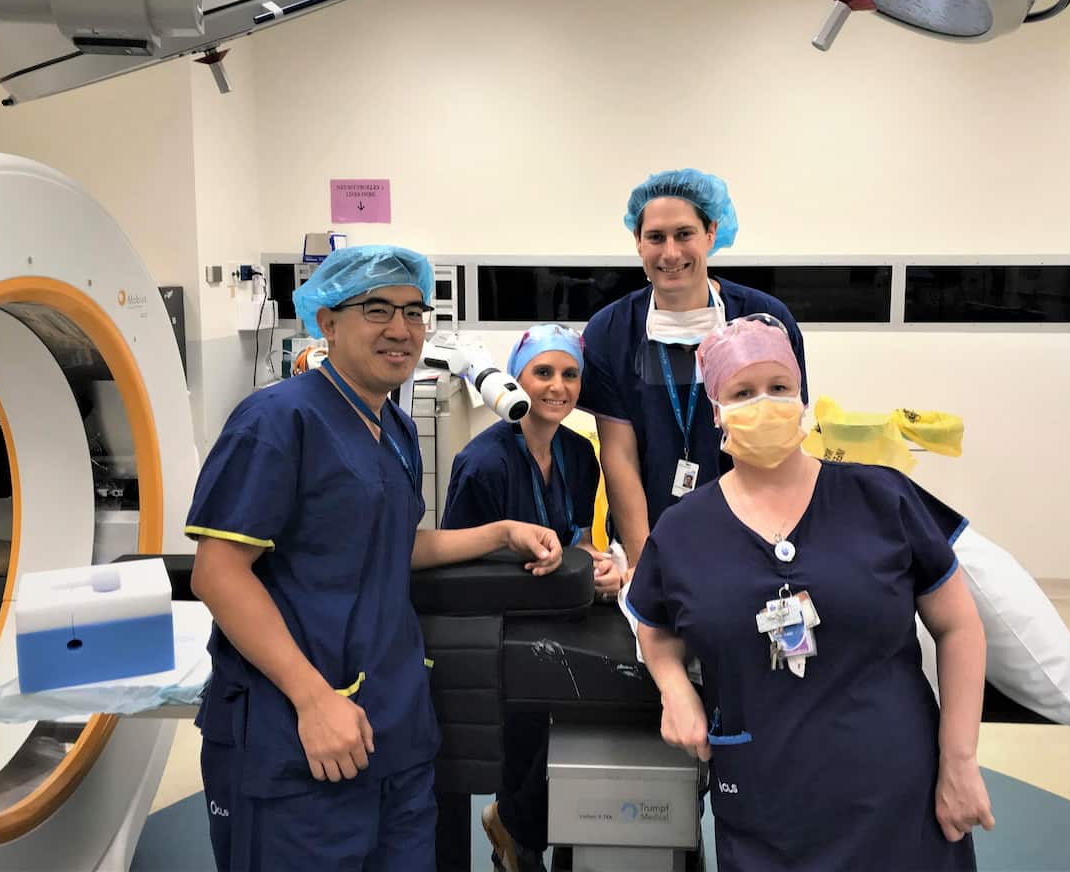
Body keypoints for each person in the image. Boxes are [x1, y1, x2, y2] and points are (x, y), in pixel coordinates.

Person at [185, 245, 563, 872]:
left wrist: (499, 532)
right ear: (326, 321)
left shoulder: (394, 425)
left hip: (395, 722)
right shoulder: (278, 420)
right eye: (377, 309)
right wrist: (313, 699)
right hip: (297, 728)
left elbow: (391, 544)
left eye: (415, 311)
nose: (401, 328)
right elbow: (218, 573)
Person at [628, 315, 994, 870]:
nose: (765, 403)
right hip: (766, 808)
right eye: (743, 392)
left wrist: (960, 761)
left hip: (899, 797)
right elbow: (654, 627)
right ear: (717, 411)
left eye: (779, 388)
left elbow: (958, 626)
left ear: (802, 398)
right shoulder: (683, 530)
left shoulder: (880, 498)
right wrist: (674, 688)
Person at [440, 323, 619, 872]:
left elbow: (579, 539)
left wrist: (600, 562)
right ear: (515, 379)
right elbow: (454, 563)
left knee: (571, 734)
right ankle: (517, 832)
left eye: (569, 374)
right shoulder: (483, 463)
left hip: (562, 612)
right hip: (501, 624)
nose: (557, 387)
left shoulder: (579, 454)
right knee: (523, 738)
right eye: (543, 372)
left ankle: (518, 822)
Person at [578, 168, 809, 577]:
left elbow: (784, 436)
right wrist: (645, 565)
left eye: (684, 234)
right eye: (655, 237)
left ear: (710, 233)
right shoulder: (611, 331)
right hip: (651, 532)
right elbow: (620, 455)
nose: (670, 253)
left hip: (755, 533)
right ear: (637, 241)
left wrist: (778, 540)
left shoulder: (765, 320)